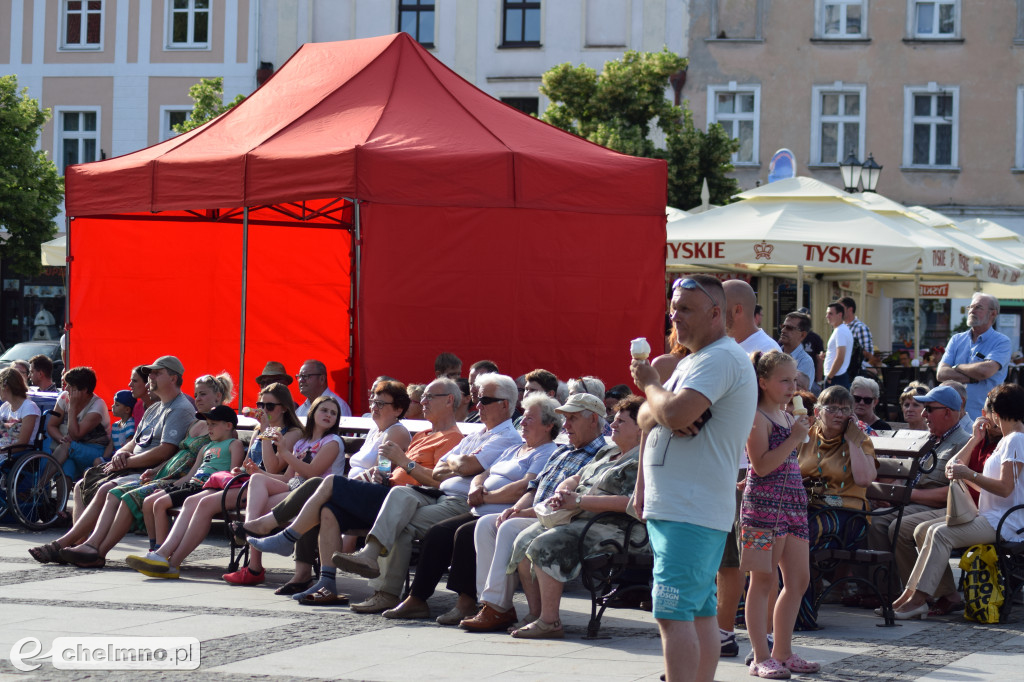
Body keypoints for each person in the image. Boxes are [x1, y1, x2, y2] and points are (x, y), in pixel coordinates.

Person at [629, 274, 757, 682]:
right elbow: (647, 417)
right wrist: (662, 406)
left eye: (685, 308)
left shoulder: (719, 358)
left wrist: (652, 387)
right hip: (685, 508)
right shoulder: (692, 361)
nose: (674, 316)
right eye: (673, 307)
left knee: (672, 612)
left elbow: (674, 414)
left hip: (690, 508)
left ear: (717, 314)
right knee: (699, 610)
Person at [246, 378, 464, 604]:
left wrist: (403, 462)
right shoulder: (421, 435)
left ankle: (282, 533)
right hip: (384, 491)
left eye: (429, 397)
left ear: (449, 401)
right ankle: (326, 583)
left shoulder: (453, 438)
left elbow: (438, 483)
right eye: (374, 402)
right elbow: (386, 468)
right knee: (327, 510)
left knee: (326, 483)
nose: (422, 402)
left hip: (402, 500)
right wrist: (386, 472)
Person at [334, 373, 523, 614]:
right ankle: (370, 559)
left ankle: (395, 594)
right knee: (398, 495)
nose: (477, 406)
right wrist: (457, 463)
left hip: (462, 502)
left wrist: (453, 464)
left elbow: (462, 467)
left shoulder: (505, 437)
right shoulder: (477, 435)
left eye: (484, 401)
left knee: (396, 522)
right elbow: (441, 470)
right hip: (431, 493)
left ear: (504, 404)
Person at [381, 394, 560, 623]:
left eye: (529, 419)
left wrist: (487, 496)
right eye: (522, 417)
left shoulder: (546, 451)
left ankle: (467, 602)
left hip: (503, 510)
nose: (522, 422)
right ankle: (417, 598)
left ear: (548, 425)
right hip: (480, 507)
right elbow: (485, 473)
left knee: (464, 534)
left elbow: (525, 487)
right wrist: (476, 486)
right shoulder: (516, 449)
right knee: (438, 532)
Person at [459, 392, 617, 634]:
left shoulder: (599, 455)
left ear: (593, 420)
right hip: (538, 514)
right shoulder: (563, 450)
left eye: (572, 419)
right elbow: (534, 487)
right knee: (486, 525)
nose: (566, 426)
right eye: (565, 419)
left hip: (562, 519)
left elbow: (572, 504)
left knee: (508, 527)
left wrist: (525, 514)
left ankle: (497, 607)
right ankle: (490, 604)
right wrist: (517, 508)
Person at [224, 382, 407, 588]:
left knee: (317, 488)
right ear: (312, 413)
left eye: (381, 403)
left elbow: (380, 471)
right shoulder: (374, 431)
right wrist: (265, 434)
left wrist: (282, 450)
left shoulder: (392, 432)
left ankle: (259, 543)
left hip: (354, 492)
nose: (374, 406)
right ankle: (270, 558)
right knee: (268, 486)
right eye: (373, 401)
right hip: (314, 490)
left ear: (398, 409)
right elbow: (277, 469)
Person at [41, 374, 229, 567]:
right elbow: (176, 454)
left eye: (203, 394)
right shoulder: (195, 423)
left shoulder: (220, 428)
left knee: (125, 495)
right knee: (98, 487)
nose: (197, 398)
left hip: (182, 480)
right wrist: (154, 469)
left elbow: (210, 459)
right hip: (164, 474)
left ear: (218, 396)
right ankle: (87, 546)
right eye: (196, 394)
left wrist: (181, 479)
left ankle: (99, 550)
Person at [508, 395, 647, 639]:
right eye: (613, 420)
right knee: (523, 539)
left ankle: (549, 621)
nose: (612, 425)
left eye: (621, 422)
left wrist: (580, 501)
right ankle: (537, 613)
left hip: (616, 527)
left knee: (546, 543)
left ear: (641, 429)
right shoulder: (608, 450)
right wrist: (565, 487)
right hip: (582, 516)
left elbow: (632, 503)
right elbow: (579, 476)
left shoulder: (641, 461)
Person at [890, 383, 1024, 619]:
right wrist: (971, 455)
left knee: (940, 533)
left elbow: (1005, 489)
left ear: (996, 412)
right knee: (927, 530)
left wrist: (969, 475)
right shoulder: (1007, 439)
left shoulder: (1015, 440)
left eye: (987, 411)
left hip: (1006, 522)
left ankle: (917, 600)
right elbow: (980, 481)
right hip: (992, 516)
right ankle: (910, 596)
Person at [742, 352, 819, 678]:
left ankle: (783, 651)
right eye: (784, 380)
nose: (792, 387)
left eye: (794, 380)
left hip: (792, 505)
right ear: (763, 382)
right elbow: (760, 465)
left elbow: (789, 462)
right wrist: (794, 439)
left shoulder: (788, 417)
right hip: (762, 507)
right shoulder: (756, 416)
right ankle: (761, 656)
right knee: (763, 581)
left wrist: (800, 436)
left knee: (798, 580)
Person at [871, 385, 972, 613]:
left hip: (942, 508)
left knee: (899, 527)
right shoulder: (929, 439)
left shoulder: (963, 443)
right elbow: (908, 478)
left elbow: (956, 493)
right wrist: (892, 494)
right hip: (912, 502)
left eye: (929, 409)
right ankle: (888, 590)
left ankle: (924, 595)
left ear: (947, 412)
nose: (923, 414)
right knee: (876, 522)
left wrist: (904, 496)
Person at [226, 395, 343, 585]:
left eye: (333, 413)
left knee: (259, 509)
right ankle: (253, 553)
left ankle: (253, 563)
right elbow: (289, 478)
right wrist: (259, 471)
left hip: (316, 495)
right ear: (313, 413)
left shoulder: (333, 441)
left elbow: (313, 474)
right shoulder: (302, 443)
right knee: (256, 479)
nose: (328, 415)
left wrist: (285, 453)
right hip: (294, 488)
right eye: (324, 410)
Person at [125, 405, 245, 578]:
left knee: (173, 502)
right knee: (156, 500)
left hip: (211, 486)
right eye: (208, 424)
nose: (208, 428)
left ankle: (161, 552)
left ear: (228, 425)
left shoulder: (234, 444)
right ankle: (160, 552)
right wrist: (169, 486)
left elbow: (233, 473)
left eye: (213, 424)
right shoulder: (206, 447)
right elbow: (191, 474)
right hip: (194, 484)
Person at [796, 385, 877, 630]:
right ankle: (763, 612)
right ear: (818, 411)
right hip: (810, 509)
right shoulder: (806, 436)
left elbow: (864, 480)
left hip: (849, 516)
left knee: (800, 539)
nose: (839, 414)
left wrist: (853, 439)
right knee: (778, 534)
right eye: (832, 408)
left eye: (845, 409)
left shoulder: (860, 439)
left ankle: (801, 617)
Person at [937, 293, 1011, 421]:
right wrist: (972, 378)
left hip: (983, 417)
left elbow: (985, 371)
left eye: (978, 307)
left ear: (992, 314)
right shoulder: (956, 339)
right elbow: (941, 374)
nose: (971, 311)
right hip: (951, 416)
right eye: (970, 307)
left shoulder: (1002, 341)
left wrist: (956, 367)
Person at [43, 367, 111, 479]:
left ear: (84, 390)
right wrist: (61, 438)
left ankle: (40, 484)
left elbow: (76, 434)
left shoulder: (97, 405)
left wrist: (72, 408)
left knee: (68, 446)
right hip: (72, 447)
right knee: (67, 467)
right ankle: (59, 496)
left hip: (96, 450)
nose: (67, 389)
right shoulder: (64, 397)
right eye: (67, 385)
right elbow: (52, 425)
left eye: (71, 387)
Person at [723, 279, 780, 354]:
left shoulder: (767, 350)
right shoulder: (724, 344)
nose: (714, 314)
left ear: (737, 310)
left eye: (720, 307)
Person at [0, 368, 41, 450]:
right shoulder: (4, 407)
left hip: (15, 455)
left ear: (6, 387)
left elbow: (22, 444)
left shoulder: (29, 408)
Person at [778, 311, 817, 393]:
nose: (783, 330)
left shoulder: (805, 361)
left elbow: (797, 392)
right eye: (783, 326)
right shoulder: (774, 354)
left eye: (789, 328)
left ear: (802, 335)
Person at [821, 301, 853, 389]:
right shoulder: (841, 330)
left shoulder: (840, 331)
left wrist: (829, 377)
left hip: (836, 378)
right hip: (837, 376)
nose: (827, 316)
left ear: (840, 315)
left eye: (830, 313)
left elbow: (840, 357)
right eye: (827, 313)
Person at [839, 296, 875, 372]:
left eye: (841, 309)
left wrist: (853, 350)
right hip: (841, 370)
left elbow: (869, 355)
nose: (839, 311)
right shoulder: (839, 328)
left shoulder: (860, 327)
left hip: (855, 372)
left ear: (850, 309)